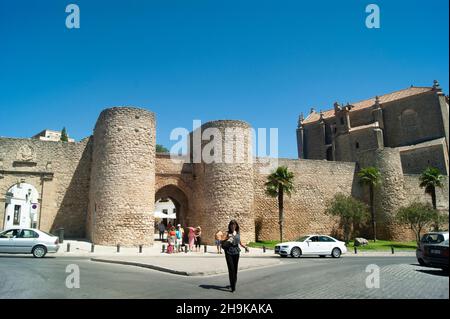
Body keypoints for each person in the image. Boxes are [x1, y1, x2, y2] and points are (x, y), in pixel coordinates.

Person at [222, 220, 248, 292]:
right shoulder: (227, 233)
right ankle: (232, 286)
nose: (233, 226)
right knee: (231, 269)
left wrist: (245, 247)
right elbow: (222, 241)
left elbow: (240, 243)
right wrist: (227, 239)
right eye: (231, 225)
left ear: (236, 226)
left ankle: (234, 282)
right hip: (228, 252)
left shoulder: (238, 233)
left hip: (236, 252)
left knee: (235, 269)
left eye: (234, 225)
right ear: (229, 226)